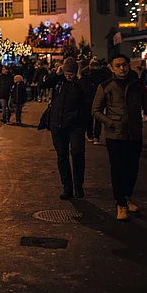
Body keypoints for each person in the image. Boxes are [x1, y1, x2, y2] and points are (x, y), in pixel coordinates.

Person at [92, 54, 147, 221]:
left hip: (134, 134)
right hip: (114, 135)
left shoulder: (137, 86)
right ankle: (121, 204)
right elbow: (95, 110)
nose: (122, 68)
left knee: (132, 169)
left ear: (128, 66)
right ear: (112, 68)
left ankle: (127, 197)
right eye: (118, 66)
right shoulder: (106, 86)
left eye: (124, 65)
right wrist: (110, 123)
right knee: (118, 169)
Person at [41, 58, 91, 200]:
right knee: (62, 156)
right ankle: (67, 187)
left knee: (77, 153)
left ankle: (78, 185)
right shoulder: (59, 81)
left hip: (76, 125)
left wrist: (80, 78)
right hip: (58, 125)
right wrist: (56, 74)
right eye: (67, 73)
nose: (69, 76)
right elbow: (44, 84)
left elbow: (90, 94)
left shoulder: (80, 83)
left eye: (71, 74)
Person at [82, 58, 110, 144]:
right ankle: (96, 137)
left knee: (89, 118)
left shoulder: (87, 76)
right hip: (99, 99)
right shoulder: (102, 76)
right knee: (98, 118)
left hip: (89, 99)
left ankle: (90, 135)